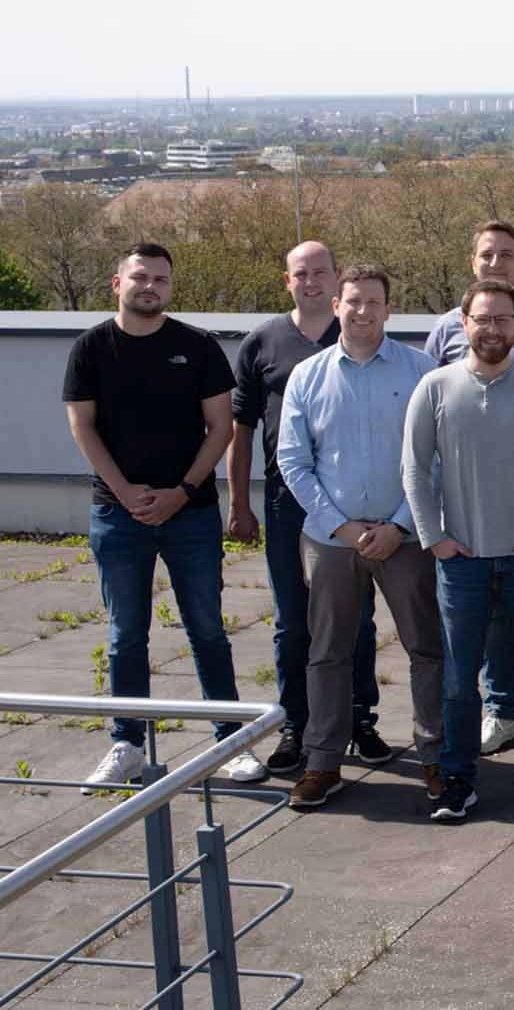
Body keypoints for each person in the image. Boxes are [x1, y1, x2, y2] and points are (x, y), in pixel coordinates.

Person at [70, 243, 267, 787]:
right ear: (118, 283)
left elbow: (221, 429)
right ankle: (127, 745)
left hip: (191, 514)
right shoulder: (90, 349)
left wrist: (182, 491)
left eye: (160, 279)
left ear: (170, 287)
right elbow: (82, 426)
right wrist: (125, 492)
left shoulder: (197, 346)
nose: (150, 287)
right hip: (117, 515)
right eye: (140, 277)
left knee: (207, 629)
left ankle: (231, 742)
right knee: (125, 635)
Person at [403, 280, 514, 822]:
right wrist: (434, 538)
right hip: (463, 562)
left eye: (503, 318)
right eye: (483, 318)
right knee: (461, 681)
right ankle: (458, 780)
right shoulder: (434, 387)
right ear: (464, 323)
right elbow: (414, 468)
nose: (493, 328)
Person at [278, 266, 445, 809]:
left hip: (405, 538)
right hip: (332, 539)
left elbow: (436, 458)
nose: (363, 311)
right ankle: (323, 762)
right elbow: (293, 461)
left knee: (427, 649)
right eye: (353, 301)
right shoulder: (308, 375)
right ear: (336, 305)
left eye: (374, 302)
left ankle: (436, 756)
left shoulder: (422, 371)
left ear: (389, 309)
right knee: (327, 652)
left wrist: (399, 525)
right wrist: (342, 527)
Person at [227, 241, 386, 778]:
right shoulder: (263, 342)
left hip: (353, 506)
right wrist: (239, 502)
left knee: (356, 619)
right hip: (287, 505)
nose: (311, 281)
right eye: (301, 273)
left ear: (338, 281)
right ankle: (296, 723)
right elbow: (242, 430)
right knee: (293, 621)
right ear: (287, 280)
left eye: (321, 272)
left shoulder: (360, 333)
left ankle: (360, 718)